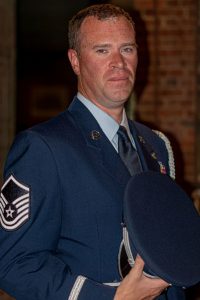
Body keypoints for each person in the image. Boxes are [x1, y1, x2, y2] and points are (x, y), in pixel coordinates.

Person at [0, 4, 186, 300]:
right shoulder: (44, 147)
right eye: (102, 50)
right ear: (75, 60)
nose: (118, 63)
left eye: (127, 49)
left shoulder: (157, 145)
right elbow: (14, 264)